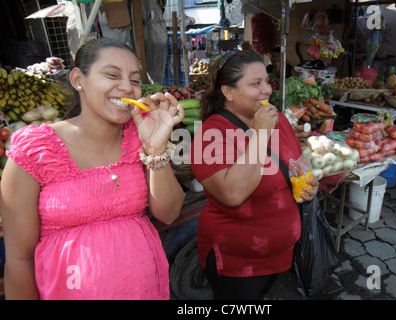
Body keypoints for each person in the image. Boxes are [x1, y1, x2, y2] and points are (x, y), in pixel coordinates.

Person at [0, 38, 185, 300]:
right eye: (112, 74)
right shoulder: (36, 151)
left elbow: (169, 213)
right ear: (78, 79)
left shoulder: (139, 139)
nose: (127, 87)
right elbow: (19, 259)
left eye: (134, 79)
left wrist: (156, 150)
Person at [190, 50, 319, 300]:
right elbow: (233, 193)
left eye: (267, 81)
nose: (267, 90)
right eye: (255, 84)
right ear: (228, 92)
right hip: (236, 264)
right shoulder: (212, 134)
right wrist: (259, 134)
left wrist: (309, 184)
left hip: (280, 255)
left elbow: (296, 164)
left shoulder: (277, 119)